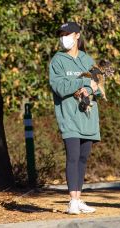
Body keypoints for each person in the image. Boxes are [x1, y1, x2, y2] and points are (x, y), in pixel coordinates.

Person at [49, 22, 101, 214]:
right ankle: (72, 201)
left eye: (67, 33)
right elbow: (60, 87)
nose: (64, 37)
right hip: (69, 117)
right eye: (61, 34)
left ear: (77, 35)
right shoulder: (57, 61)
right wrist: (82, 83)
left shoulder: (87, 60)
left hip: (88, 117)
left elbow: (96, 85)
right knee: (72, 156)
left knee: (82, 158)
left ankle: (79, 200)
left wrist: (86, 88)